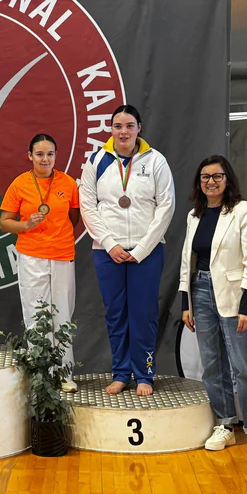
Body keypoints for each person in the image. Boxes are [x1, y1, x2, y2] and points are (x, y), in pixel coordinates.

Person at [80, 105, 175, 396]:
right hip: (107, 252)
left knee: (144, 314)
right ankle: (121, 373)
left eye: (129, 126)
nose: (123, 132)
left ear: (139, 128)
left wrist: (143, 248)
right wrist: (110, 244)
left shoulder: (155, 160)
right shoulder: (96, 160)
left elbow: (166, 206)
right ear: (110, 129)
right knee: (116, 314)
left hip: (147, 252)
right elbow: (88, 206)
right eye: (118, 126)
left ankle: (145, 374)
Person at [180, 155, 247, 456]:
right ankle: (225, 425)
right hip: (200, 291)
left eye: (217, 176)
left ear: (227, 179)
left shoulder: (244, 210)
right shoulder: (194, 215)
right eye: (205, 177)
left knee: (244, 367)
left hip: (234, 296)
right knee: (212, 365)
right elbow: (187, 261)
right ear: (199, 182)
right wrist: (186, 302)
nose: (211, 182)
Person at [0, 134, 80, 393]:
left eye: (50, 154)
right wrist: (26, 225)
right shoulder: (20, 184)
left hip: (62, 254)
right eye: (40, 154)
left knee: (63, 314)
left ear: (56, 156)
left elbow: (74, 217)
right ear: (30, 156)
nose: (45, 159)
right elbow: (4, 223)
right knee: (35, 314)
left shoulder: (68, 183)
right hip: (32, 256)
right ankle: (41, 375)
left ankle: (64, 374)